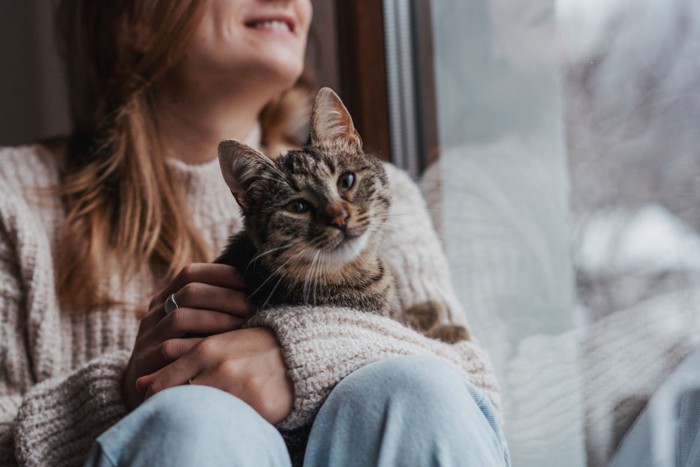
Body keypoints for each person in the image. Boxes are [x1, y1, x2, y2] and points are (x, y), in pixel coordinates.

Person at [0, 0, 510, 466]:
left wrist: (298, 357)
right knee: (196, 424)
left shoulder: (378, 196)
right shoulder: (13, 198)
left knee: (419, 393)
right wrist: (126, 394)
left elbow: (475, 390)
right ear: (131, 15)